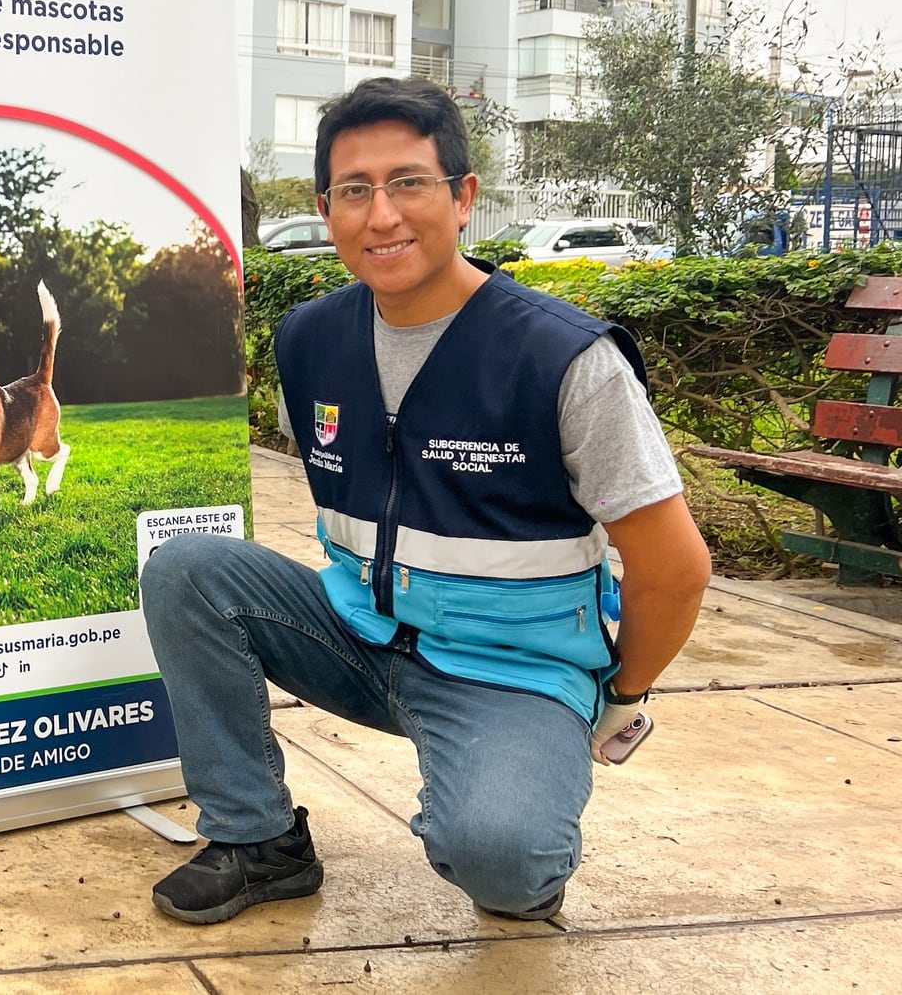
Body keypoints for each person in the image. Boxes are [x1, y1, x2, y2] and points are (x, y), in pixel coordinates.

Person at [141, 76, 711, 927]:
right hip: (358, 635)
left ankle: (513, 805)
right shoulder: (310, 340)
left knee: (503, 861)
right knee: (187, 570)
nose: (383, 216)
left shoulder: (563, 359)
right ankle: (259, 838)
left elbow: (676, 566)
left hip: (511, 671)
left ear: (463, 197)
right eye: (354, 191)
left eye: (409, 183)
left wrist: (619, 696)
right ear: (326, 209)